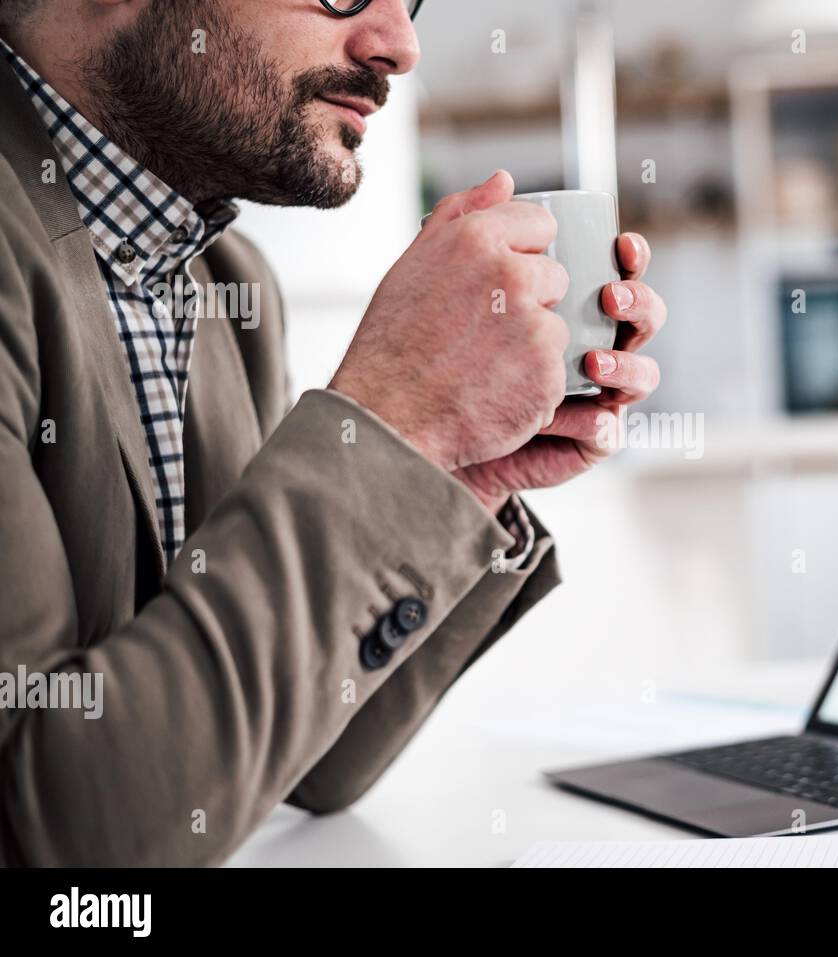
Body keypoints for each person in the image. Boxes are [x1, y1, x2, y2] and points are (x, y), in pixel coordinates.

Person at [0, 0, 665, 865]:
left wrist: (460, 475)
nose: (400, 45)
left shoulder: (229, 287)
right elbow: (71, 841)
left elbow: (303, 761)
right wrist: (399, 420)